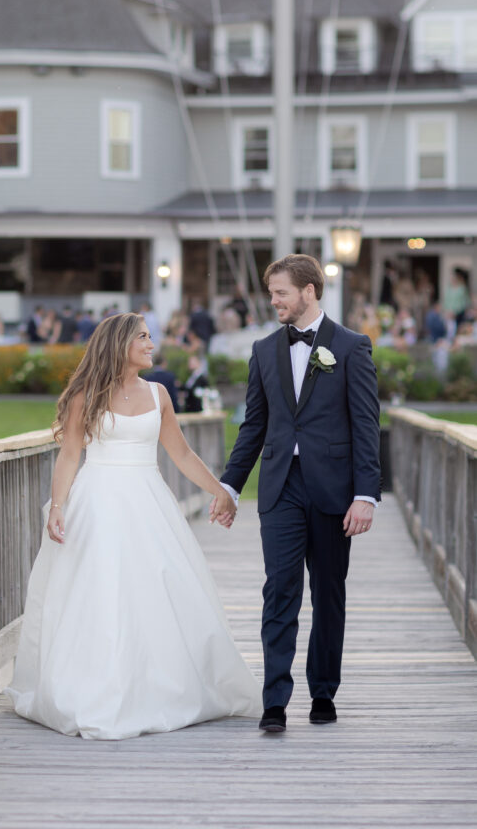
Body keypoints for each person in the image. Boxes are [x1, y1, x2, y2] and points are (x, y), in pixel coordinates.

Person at [4, 312, 261, 739]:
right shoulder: (85, 397)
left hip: (148, 501)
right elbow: (70, 455)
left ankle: (155, 684)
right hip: (98, 500)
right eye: (142, 337)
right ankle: (96, 687)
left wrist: (221, 491)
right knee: (100, 592)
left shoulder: (159, 393)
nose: (151, 343)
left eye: (149, 335)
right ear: (119, 344)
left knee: (154, 588)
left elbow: (181, 454)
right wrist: (58, 506)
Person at [215, 254, 380, 734]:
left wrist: (366, 494)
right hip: (280, 488)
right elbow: (254, 426)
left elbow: (367, 427)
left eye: (281, 293)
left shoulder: (351, 348)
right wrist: (229, 484)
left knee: (328, 593)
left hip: (335, 492)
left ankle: (323, 692)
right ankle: (275, 701)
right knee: (279, 590)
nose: (274, 302)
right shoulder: (264, 350)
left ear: (309, 291)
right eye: (272, 294)